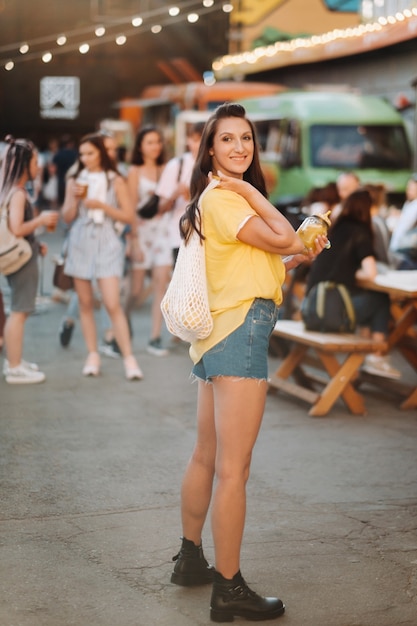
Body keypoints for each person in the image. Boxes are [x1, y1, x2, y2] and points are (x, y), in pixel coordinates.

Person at [170, 103, 327, 622]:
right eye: (228, 140)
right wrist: (251, 190)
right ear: (210, 149)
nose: (239, 148)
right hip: (240, 333)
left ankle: (191, 559)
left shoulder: (215, 201)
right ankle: (229, 588)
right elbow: (282, 233)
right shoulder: (227, 197)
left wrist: (296, 257)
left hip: (219, 333)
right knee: (234, 470)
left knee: (207, 455)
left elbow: (261, 260)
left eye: (246, 139)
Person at [61, 132, 143, 380]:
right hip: (80, 242)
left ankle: (129, 359)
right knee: (85, 303)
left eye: (90, 153)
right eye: (82, 154)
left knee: (112, 303)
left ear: (101, 153)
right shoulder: (74, 179)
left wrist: (103, 206)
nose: (85, 158)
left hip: (107, 242)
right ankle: (92, 354)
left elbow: (129, 216)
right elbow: (67, 217)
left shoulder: (115, 179)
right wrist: (74, 200)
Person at [306, 188, 401, 379]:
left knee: (368, 302)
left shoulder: (334, 230)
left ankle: (364, 360)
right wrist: (351, 271)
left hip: (310, 308)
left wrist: (346, 270)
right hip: (329, 313)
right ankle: (376, 356)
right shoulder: (360, 232)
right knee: (379, 300)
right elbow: (371, 272)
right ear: (368, 210)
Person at [1, 135, 59, 384]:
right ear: (24, 164)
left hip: (24, 255)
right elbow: (16, 228)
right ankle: (14, 367)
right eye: (35, 162)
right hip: (22, 262)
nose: (39, 167)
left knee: (18, 311)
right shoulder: (18, 194)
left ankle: (14, 361)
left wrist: (37, 242)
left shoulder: (10, 191)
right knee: (20, 312)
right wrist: (41, 221)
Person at [125, 125, 170, 356]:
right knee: (135, 289)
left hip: (161, 233)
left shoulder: (166, 169)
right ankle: (120, 323)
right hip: (141, 234)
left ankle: (155, 337)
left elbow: (167, 204)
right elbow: (131, 208)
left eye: (158, 142)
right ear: (140, 146)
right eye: (150, 142)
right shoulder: (134, 171)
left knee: (161, 285)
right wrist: (132, 242)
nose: (155, 146)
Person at [157, 122, 205, 264]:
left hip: (209, 236)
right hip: (181, 236)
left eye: (204, 140)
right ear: (188, 140)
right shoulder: (176, 165)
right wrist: (175, 194)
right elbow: (160, 208)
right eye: (196, 140)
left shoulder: (218, 165)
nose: (199, 145)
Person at [389, 174, 417, 270]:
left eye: (412, 189)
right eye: (408, 188)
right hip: (399, 248)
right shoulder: (409, 203)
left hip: (407, 250)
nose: (409, 191)